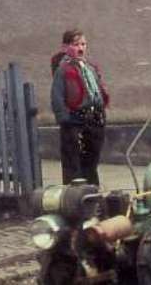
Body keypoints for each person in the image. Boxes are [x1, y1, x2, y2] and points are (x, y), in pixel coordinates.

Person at [51, 29, 110, 186]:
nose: (81, 48)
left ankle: (92, 192)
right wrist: (65, 120)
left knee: (91, 161)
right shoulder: (63, 69)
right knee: (73, 162)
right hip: (75, 120)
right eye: (76, 44)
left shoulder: (90, 67)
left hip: (95, 120)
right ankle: (74, 196)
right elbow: (57, 97)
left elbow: (97, 89)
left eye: (83, 44)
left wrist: (102, 111)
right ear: (65, 47)